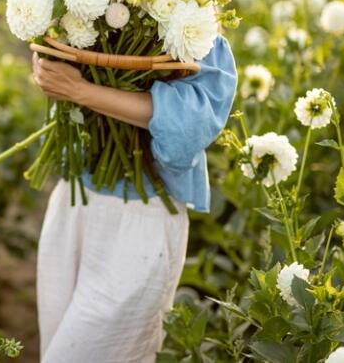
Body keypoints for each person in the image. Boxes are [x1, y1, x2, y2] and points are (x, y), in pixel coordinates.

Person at [30, 34, 237, 362]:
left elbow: (191, 123)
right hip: (73, 199)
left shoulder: (196, 19)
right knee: (54, 348)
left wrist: (82, 91)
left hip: (142, 218)